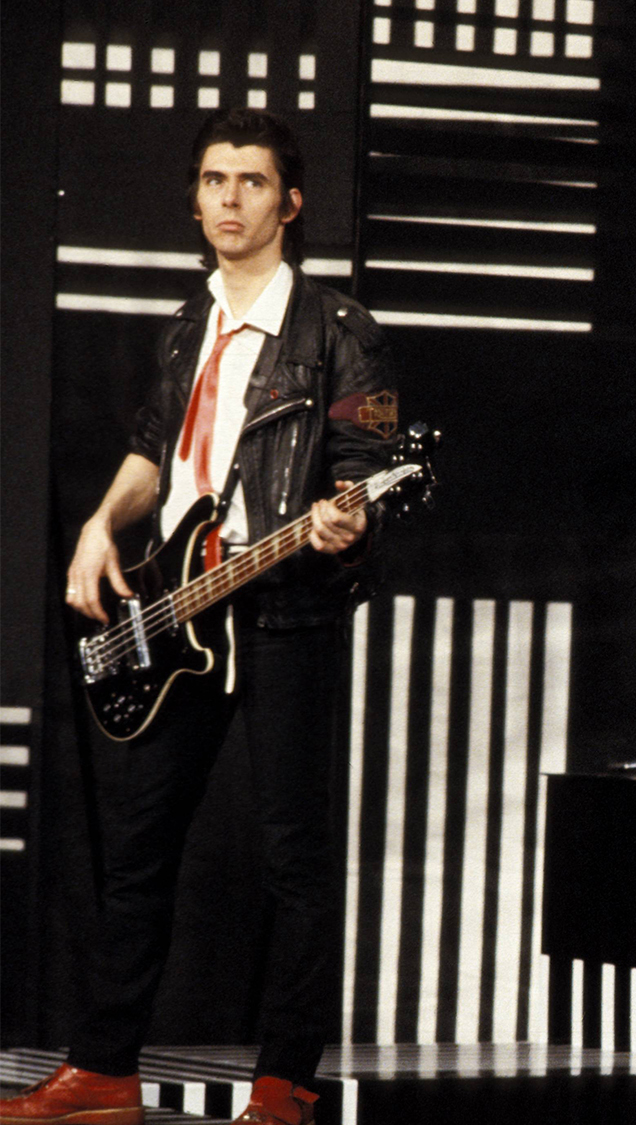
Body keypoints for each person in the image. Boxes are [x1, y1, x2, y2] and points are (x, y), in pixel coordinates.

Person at [0, 108, 398, 1125]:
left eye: (252, 181)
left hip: (285, 613)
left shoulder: (340, 329)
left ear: (289, 203)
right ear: (195, 199)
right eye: (215, 179)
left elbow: (367, 467)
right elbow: (154, 451)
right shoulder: (188, 323)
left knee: (293, 860)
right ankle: (103, 1070)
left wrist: (346, 517)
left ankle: (284, 1084)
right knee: (138, 848)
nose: (230, 197)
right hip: (181, 612)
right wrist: (99, 525)